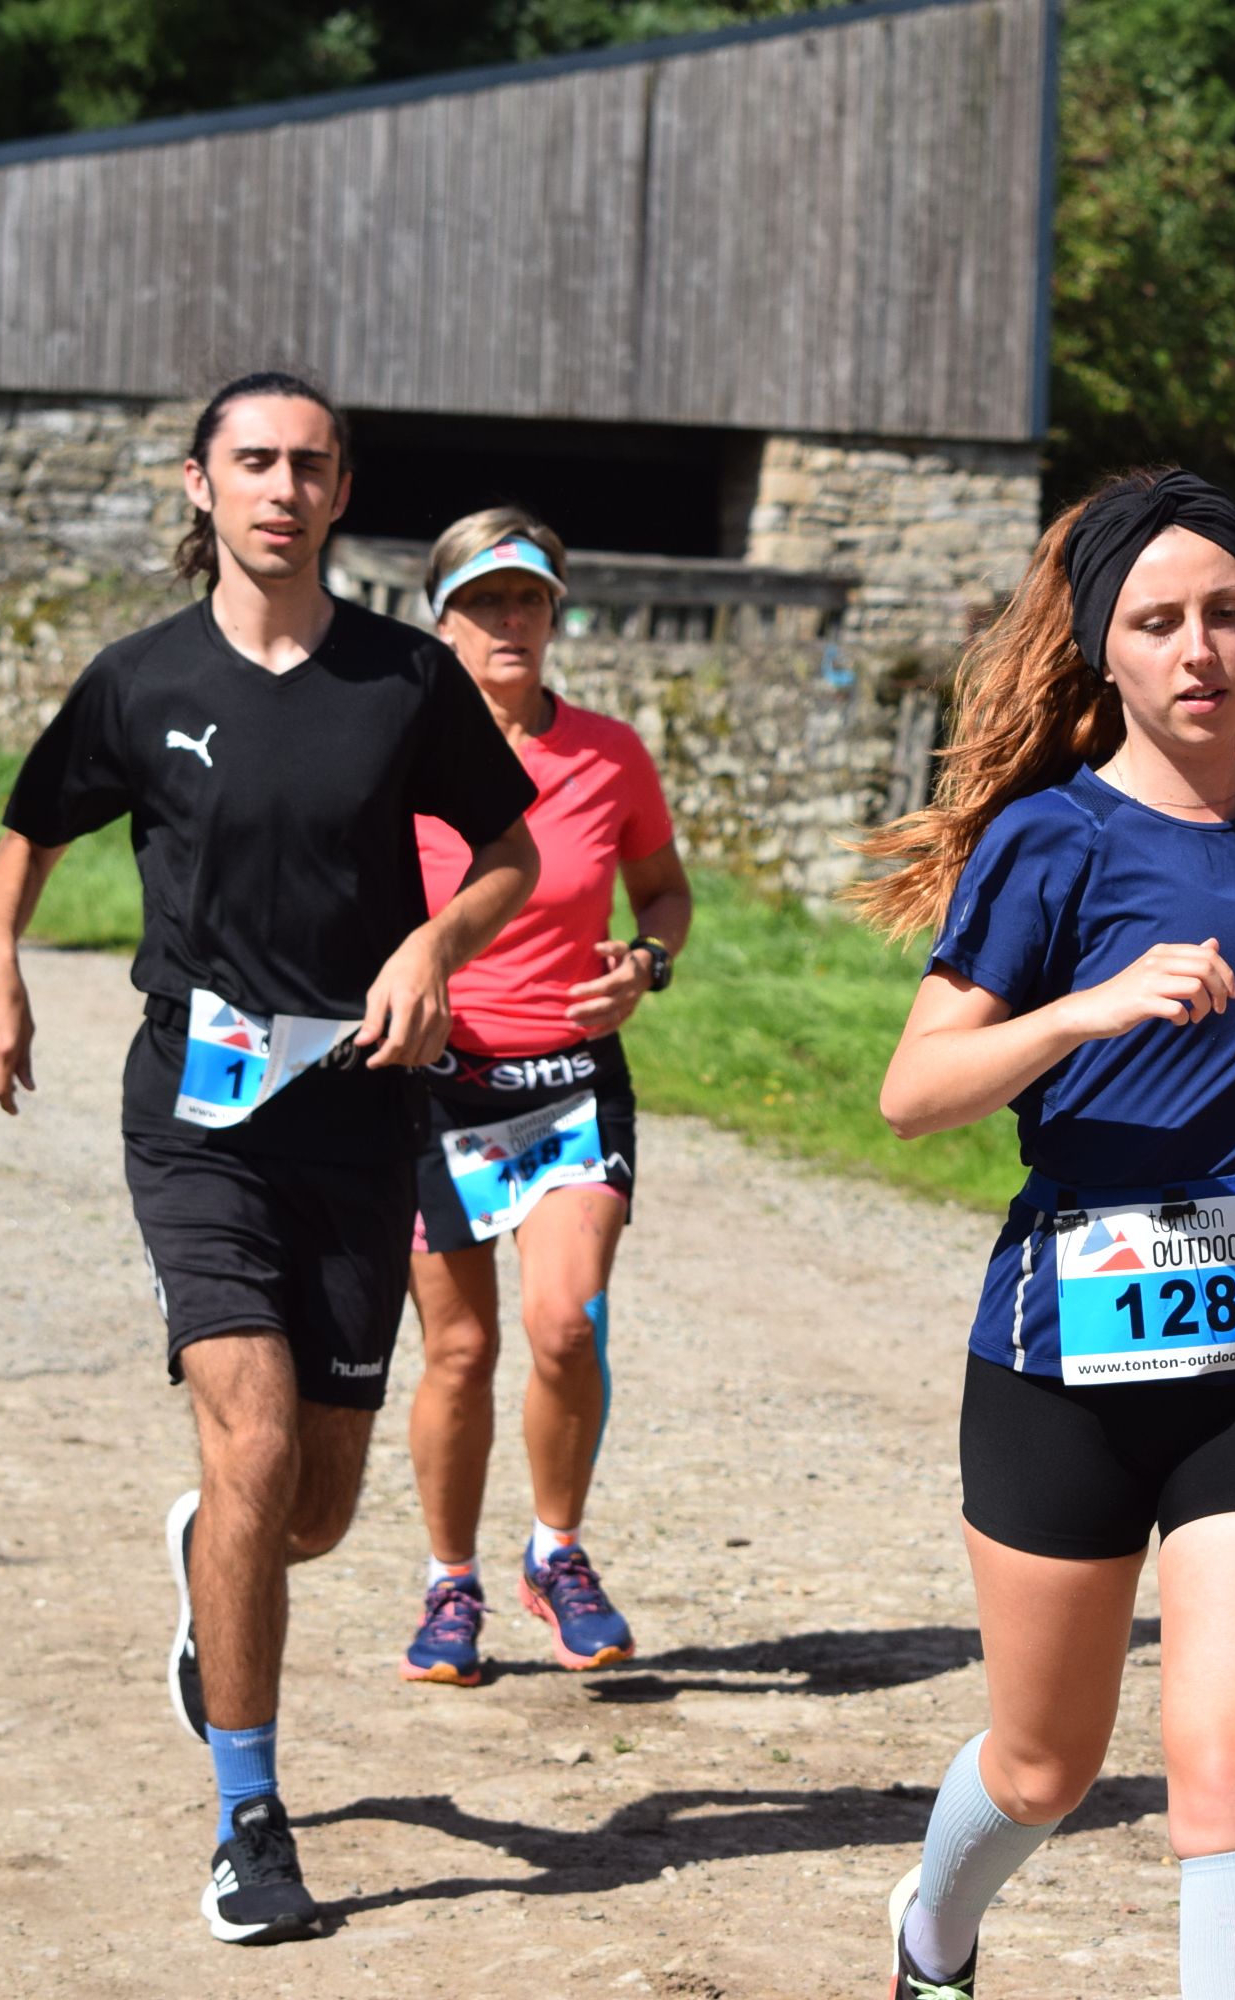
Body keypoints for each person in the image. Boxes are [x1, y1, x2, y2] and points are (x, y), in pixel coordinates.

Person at [0, 372, 541, 1945]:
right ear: (200, 485)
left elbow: (513, 852)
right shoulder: (140, 681)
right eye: (253, 461)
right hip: (197, 1117)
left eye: (310, 465)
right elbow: (24, 841)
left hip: (358, 1111)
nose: (282, 487)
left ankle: (215, 1559)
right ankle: (250, 1820)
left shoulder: (406, 679)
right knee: (254, 1436)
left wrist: (436, 945)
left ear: (341, 493)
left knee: (311, 1510)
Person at [853, 468, 1235, 2000]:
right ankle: (934, 1938)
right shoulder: (1049, 842)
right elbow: (913, 1093)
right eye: (1159, 621)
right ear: (1103, 650)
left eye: (1228, 614)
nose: (1200, 650)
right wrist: (1086, 1010)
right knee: (1046, 1765)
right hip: (1068, 1345)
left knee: (1231, 1767)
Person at [397, 507, 691, 1688]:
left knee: (564, 1323)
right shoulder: (397, 748)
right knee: (459, 1349)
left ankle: (555, 1550)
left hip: (569, 1079)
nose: (510, 620)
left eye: (530, 599)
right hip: (434, 1088)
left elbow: (663, 891)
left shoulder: (609, 754)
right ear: (442, 619)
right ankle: (449, 1581)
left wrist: (646, 962)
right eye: (485, 601)